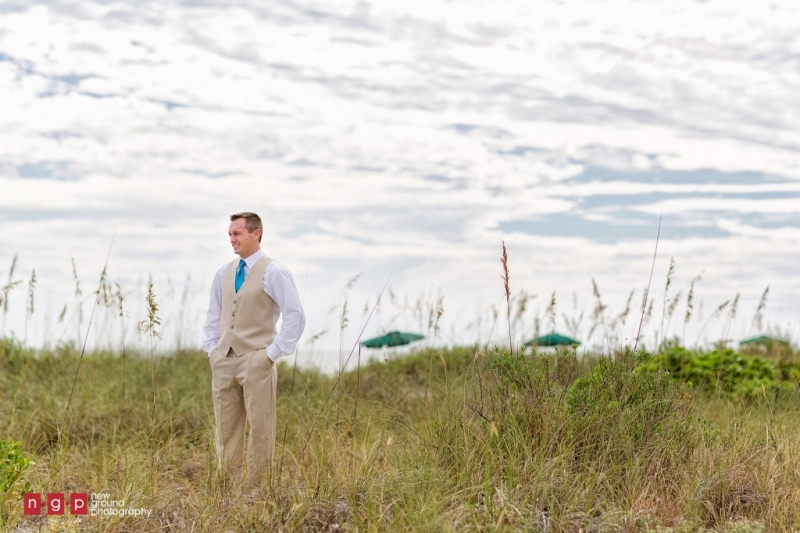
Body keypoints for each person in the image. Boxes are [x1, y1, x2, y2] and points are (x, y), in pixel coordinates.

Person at [202, 212, 306, 486]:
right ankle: (229, 494)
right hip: (224, 360)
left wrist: (271, 354)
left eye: (237, 233)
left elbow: (295, 315)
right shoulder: (222, 273)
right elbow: (214, 317)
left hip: (257, 361)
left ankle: (256, 496)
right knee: (226, 431)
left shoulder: (275, 272)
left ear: (255, 233)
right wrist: (212, 351)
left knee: (260, 430)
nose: (231, 239)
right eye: (229, 234)